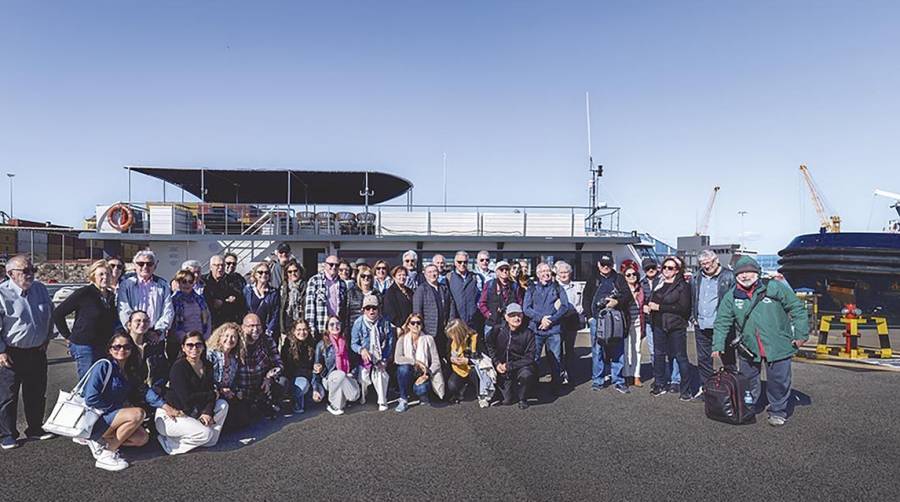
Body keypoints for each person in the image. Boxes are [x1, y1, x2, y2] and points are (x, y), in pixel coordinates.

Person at [713, 256, 809, 426]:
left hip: (778, 343)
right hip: (748, 346)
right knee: (748, 380)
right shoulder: (731, 296)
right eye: (740, 273)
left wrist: (800, 335)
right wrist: (718, 344)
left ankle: (778, 410)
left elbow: (797, 308)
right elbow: (722, 321)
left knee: (779, 380)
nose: (745, 276)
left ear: (757, 273)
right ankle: (749, 407)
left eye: (749, 272)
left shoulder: (774, 287)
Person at [0, 255, 55, 449]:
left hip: (37, 351)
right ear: (10, 274)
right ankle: (7, 434)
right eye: (25, 271)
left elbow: (50, 313)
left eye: (32, 270)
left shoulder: (40, 289)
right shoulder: (2, 294)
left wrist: (47, 337)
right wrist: (1, 351)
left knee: (37, 393)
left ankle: (35, 429)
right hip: (11, 353)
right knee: (8, 396)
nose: (30, 274)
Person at [81, 333, 150, 471]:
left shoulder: (129, 370)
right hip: (97, 417)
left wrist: (164, 405)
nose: (122, 350)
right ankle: (107, 454)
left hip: (114, 417)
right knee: (137, 414)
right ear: (110, 350)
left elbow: (143, 390)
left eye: (126, 347)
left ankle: (101, 442)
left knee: (142, 438)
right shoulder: (103, 366)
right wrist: (118, 407)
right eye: (117, 347)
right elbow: (91, 398)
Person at [155, 331, 230, 455]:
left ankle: (201, 438)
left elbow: (210, 391)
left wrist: (207, 412)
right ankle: (170, 443)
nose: (194, 348)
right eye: (190, 345)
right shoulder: (178, 367)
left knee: (222, 405)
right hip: (173, 414)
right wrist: (212, 394)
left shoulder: (207, 365)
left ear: (203, 346)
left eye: (198, 345)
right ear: (183, 348)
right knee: (206, 433)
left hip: (192, 411)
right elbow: (187, 399)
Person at [53, 259, 119, 379]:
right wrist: (67, 336)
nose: (105, 277)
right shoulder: (84, 293)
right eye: (101, 274)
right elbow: (58, 313)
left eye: (108, 274)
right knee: (87, 381)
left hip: (104, 346)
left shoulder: (111, 296)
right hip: (85, 346)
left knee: (101, 380)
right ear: (93, 276)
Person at [645, 256, 692, 400]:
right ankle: (660, 384)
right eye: (664, 267)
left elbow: (683, 308)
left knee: (680, 357)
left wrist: (659, 307)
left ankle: (685, 390)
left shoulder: (683, 286)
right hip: (658, 325)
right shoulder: (660, 283)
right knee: (658, 356)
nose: (666, 270)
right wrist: (648, 307)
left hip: (676, 326)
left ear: (677, 270)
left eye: (670, 268)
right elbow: (652, 300)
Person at [692, 249, 736, 399]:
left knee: (728, 359)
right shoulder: (697, 277)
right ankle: (707, 390)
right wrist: (694, 317)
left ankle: (731, 390)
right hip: (701, 324)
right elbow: (694, 298)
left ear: (716, 260)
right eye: (702, 264)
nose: (705, 266)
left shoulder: (729, 276)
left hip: (722, 326)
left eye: (708, 263)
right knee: (704, 360)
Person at [523, 262, 570, 393]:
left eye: (548, 271)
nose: (546, 273)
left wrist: (551, 319)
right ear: (538, 274)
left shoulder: (557, 287)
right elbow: (526, 308)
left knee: (556, 359)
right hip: (535, 330)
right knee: (534, 359)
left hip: (554, 330)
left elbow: (565, 307)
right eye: (542, 271)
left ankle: (556, 386)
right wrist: (541, 318)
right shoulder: (531, 288)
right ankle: (533, 387)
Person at [589, 259, 631, 393]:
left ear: (612, 265)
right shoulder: (593, 278)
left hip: (616, 319)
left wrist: (616, 301)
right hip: (597, 319)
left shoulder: (619, 278)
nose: (605, 267)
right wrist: (589, 317)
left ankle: (618, 380)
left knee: (618, 350)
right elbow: (586, 298)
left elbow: (627, 296)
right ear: (598, 265)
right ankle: (597, 380)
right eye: (603, 264)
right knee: (597, 350)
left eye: (608, 265)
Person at [486, 304, 536, 409]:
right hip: (502, 367)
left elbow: (530, 357)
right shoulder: (498, 330)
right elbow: (489, 345)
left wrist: (509, 366)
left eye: (519, 315)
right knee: (507, 401)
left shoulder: (528, 333)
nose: (516, 318)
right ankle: (511, 387)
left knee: (526, 374)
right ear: (506, 317)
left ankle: (523, 398)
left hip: (519, 367)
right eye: (512, 315)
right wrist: (497, 362)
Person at [350, 295, 394, 411]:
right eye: (368, 308)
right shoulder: (358, 323)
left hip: (379, 356)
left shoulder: (384, 323)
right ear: (363, 310)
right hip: (364, 359)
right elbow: (353, 344)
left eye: (374, 308)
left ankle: (382, 401)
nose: (371, 311)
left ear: (378, 309)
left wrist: (384, 359)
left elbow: (389, 342)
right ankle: (363, 395)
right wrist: (361, 350)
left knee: (381, 375)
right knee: (363, 378)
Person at [235, 313, 284, 419]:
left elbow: (278, 364)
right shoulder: (236, 343)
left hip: (262, 385)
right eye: (251, 326)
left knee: (282, 382)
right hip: (242, 389)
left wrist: (269, 377)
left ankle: (269, 402)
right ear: (243, 327)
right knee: (243, 419)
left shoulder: (267, 340)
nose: (255, 329)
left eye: (258, 325)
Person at [393, 313, 445, 412]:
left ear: (422, 325)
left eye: (418, 323)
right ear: (408, 325)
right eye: (412, 323)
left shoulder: (429, 339)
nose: (415, 325)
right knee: (403, 368)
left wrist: (427, 374)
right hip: (409, 373)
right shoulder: (402, 339)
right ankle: (403, 399)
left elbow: (436, 361)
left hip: (423, 373)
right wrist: (416, 362)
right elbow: (397, 358)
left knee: (421, 389)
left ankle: (420, 393)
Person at [311, 316, 360, 415]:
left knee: (354, 396)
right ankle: (332, 403)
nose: (335, 326)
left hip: (346, 376)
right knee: (340, 375)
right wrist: (316, 388)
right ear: (327, 328)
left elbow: (355, 362)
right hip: (329, 378)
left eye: (338, 324)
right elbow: (316, 369)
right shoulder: (321, 345)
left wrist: (352, 374)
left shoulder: (347, 342)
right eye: (332, 324)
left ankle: (339, 402)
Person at [117, 250, 174, 335]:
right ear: (135, 265)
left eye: (149, 264)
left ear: (155, 266)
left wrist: (158, 331)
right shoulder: (126, 284)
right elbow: (124, 310)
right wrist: (134, 330)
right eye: (141, 264)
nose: (145, 266)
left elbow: (168, 310)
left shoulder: (163, 285)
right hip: (133, 334)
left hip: (155, 336)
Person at [206, 322, 250, 429]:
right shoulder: (211, 354)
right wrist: (220, 390)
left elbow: (233, 382)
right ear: (220, 337)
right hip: (212, 393)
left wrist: (235, 391)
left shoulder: (234, 359)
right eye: (226, 336)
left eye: (233, 337)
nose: (229, 339)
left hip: (227, 394)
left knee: (244, 419)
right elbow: (206, 379)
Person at [412, 263, 457, 358]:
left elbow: (451, 304)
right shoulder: (421, 289)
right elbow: (417, 311)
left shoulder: (443, 288)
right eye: (430, 272)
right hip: (429, 330)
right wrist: (420, 329)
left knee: (443, 355)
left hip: (444, 329)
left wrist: (450, 321)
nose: (433, 274)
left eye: (435, 271)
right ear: (425, 275)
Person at [169, 269, 212, 362]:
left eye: (190, 281)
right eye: (184, 281)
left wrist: (204, 337)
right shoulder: (173, 301)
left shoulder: (200, 299)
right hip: (181, 344)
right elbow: (173, 324)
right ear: (178, 283)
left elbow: (207, 319)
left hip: (199, 342)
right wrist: (186, 341)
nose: (187, 284)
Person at [305, 255, 349, 339]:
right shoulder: (314, 281)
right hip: (321, 328)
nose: (334, 267)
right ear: (325, 265)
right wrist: (311, 329)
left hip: (337, 329)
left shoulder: (342, 284)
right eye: (331, 264)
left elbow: (344, 309)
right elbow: (310, 307)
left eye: (337, 265)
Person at [554, 260, 583, 386]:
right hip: (558, 322)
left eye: (566, 272)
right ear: (557, 274)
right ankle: (558, 374)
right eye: (561, 272)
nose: (564, 274)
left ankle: (570, 374)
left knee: (570, 349)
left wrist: (579, 310)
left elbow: (581, 303)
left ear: (570, 273)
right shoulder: (554, 287)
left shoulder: (577, 287)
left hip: (572, 321)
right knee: (557, 349)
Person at [478, 260, 522, 339]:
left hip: (510, 325)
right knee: (491, 349)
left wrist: (516, 317)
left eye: (507, 269)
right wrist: (489, 314)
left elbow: (520, 303)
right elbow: (482, 303)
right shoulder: (489, 284)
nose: (504, 271)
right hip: (492, 324)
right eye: (501, 269)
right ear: (497, 272)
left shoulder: (515, 286)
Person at [279, 320, 316, 414]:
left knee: (320, 394)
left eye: (304, 329)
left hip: (309, 376)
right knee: (303, 384)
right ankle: (295, 401)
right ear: (294, 331)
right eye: (299, 329)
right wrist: (307, 373)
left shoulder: (312, 343)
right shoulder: (288, 346)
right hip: (294, 378)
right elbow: (287, 369)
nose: (302, 332)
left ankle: (305, 397)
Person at [203, 254, 248, 327]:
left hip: (227, 322)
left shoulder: (234, 281)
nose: (220, 268)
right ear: (211, 267)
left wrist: (232, 300)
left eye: (222, 265)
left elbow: (241, 300)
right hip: (209, 323)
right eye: (217, 265)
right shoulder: (203, 281)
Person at [620, 260, 645, 387]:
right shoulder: (621, 288)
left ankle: (636, 375)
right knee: (625, 349)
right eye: (628, 275)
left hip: (637, 322)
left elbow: (644, 304)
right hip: (625, 322)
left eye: (634, 274)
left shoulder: (641, 288)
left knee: (637, 349)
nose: (631, 277)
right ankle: (626, 375)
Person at [448, 251, 484, 333]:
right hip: (456, 323)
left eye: (465, 262)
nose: (462, 264)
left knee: (472, 345)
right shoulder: (448, 278)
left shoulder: (475, 277)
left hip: (472, 322)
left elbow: (480, 298)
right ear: (455, 262)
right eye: (459, 262)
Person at [445, 319, 480, 404]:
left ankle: (479, 392)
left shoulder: (474, 337)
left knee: (473, 371)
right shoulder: (451, 341)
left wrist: (468, 361)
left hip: (473, 369)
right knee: (451, 385)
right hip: (458, 369)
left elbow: (481, 358)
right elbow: (447, 354)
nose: (452, 337)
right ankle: (459, 392)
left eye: (453, 335)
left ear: (459, 332)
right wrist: (451, 359)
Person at [243, 262, 281, 337]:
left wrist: (269, 330)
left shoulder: (273, 293)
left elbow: (275, 314)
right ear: (255, 274)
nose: (263, 275)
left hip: (266, 331)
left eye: (266, 272)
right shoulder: (247, 290)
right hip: (250, 330)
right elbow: (243, 309)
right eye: (260, 272)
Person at [346, 264, 382, 331]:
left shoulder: (377, 294)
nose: (366, 278)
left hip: (373, 328)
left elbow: (381, 312)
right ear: (359, 277)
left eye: (369, 276)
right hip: (355, 328)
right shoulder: (351, 292)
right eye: (363, 276)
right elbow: (346, 313)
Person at [279, 259, 307, 338]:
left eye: (295, 271)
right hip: (287, 322)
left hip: (301, 324)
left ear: (300, 271)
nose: (293, 273)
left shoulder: (306, 286)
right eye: (290, 272)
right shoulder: (283, 287)